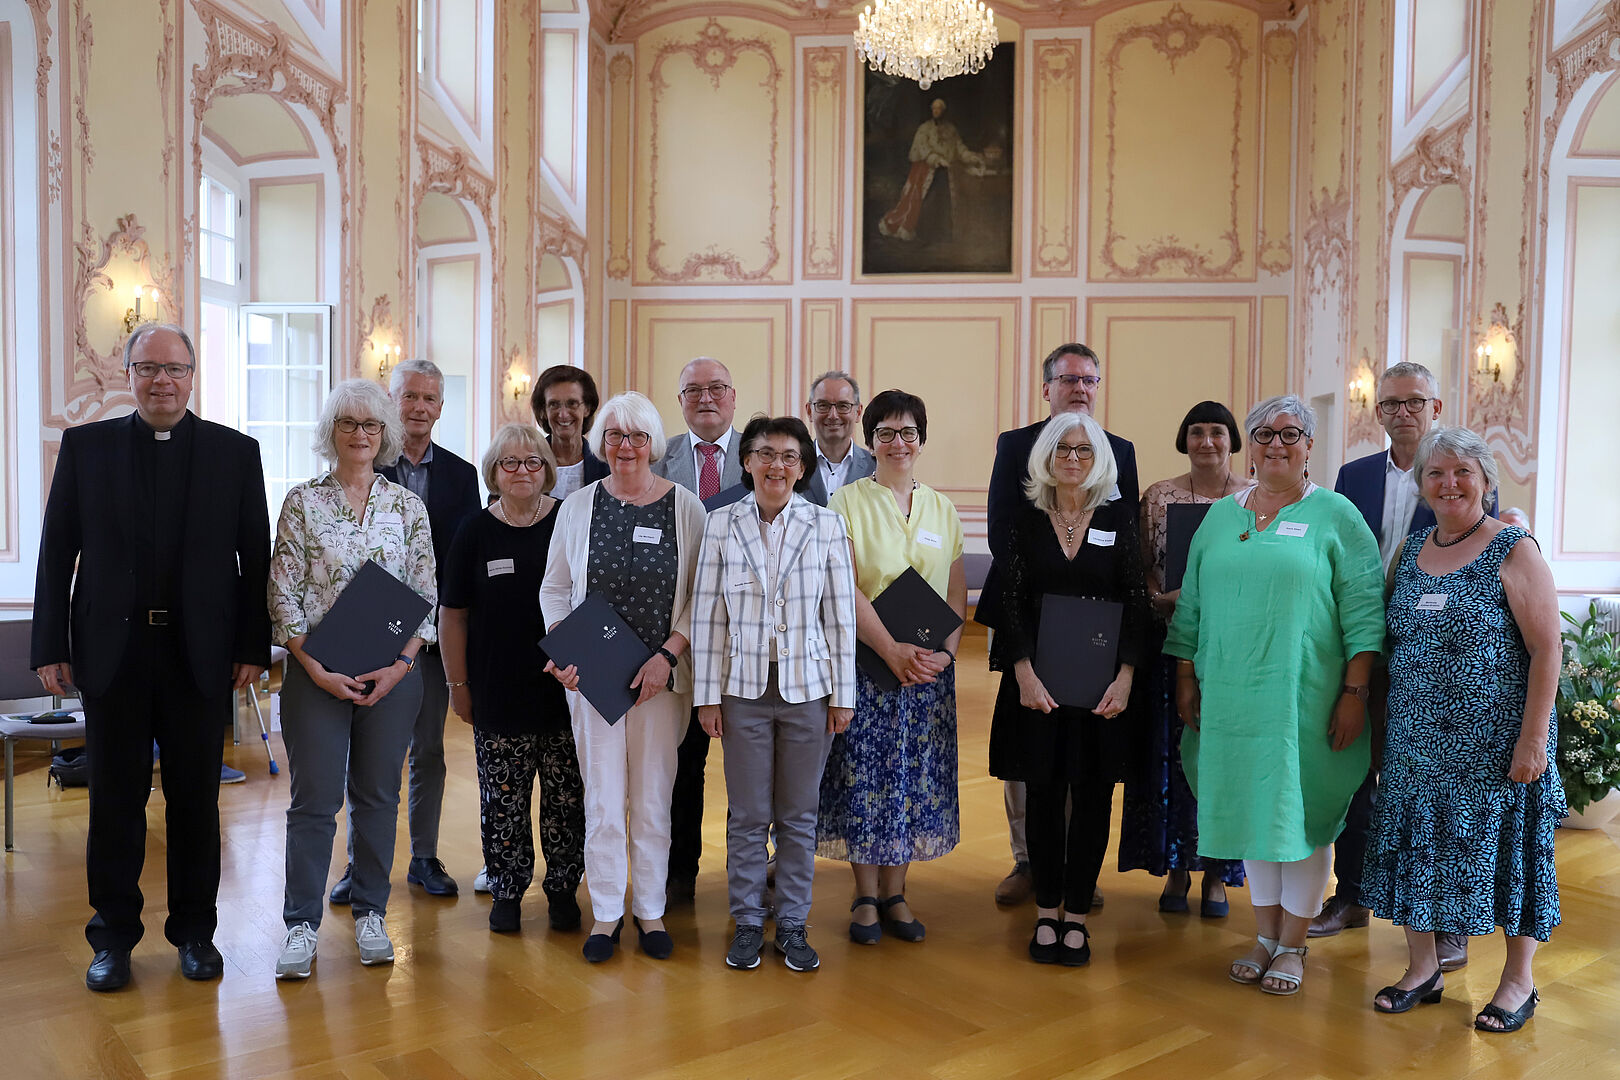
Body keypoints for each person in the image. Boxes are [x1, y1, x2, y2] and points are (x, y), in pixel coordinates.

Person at [31, 323, 270, 992]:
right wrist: (50, 643)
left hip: (201, 658)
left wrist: (253, 645)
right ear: (127, 374)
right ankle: (111, 939)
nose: (161, 380)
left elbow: (256, 560)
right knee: (114, 802)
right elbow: (58, 552)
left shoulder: (235, 452)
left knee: (196, 801)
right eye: (147, 368)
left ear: (193, 376)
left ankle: (196, 933)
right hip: (114, 654)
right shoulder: (86, 449)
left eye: (174, 368)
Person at [1166, 394, 1385, 996]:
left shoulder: (1336, 515)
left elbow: (1365, 613)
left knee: (1302, 815)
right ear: (1250, 444)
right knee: (1250, 810)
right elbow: (1191, 606)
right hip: (1231, 700)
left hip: (1306, 699)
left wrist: (1355, 692)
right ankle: (1263, 936)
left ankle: (1294, 945)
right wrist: (1185, 677)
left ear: (1310, 445)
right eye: (1264, 434)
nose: (1277, 445)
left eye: (1291, 435)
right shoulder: (1220, 518)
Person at [1360, 427, 1563, 1032]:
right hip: (1416, 744)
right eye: (1435, 474)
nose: (1449, 484)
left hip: (1496, 745)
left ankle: (1517, 981)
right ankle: (1422, 969)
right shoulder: (1412, 547)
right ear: (1421, 485)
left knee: (1510, 855)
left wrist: (1534, 738)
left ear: (1486, 481)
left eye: (1462, 473)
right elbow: (1393, 643)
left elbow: (1548, 648)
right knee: (1418, 854)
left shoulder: (1513, 548)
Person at [1315, 362, 1497, 967]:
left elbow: (1486, 542)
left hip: (1439, 654)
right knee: (1358, 772)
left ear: (1436, 407)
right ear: (1380, 412)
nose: (1401, 412)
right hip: (1366, 644)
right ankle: (1353, 894)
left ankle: (1450, 920)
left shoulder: (1457, 473)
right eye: (1390, 403)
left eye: (1413, 402)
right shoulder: (1354, 475)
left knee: (1441, 788)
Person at [269, 379, 438, 979]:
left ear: (385, 434)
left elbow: (425, 593)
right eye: (349, 424)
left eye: (371, 426)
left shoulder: (407, 507)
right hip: (317, 674)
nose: (361, 435)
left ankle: (371, 912)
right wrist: (311, 665)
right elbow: (282, 591)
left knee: (378, 797)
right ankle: (300, 926)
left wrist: (402, 665)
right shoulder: (301, 502)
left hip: (392, 678)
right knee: (313, 801)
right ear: (330, 432)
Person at [541, 392, 708, 963]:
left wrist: (670, 654)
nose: (626, 447)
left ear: (653, 444)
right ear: (602, 443)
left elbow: (699, 596)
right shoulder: (578, 506)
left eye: (637, 437)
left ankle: (651, 909)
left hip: (661, 681)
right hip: (593, 679)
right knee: (605, 799)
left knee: (655, 797)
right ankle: (608, 911)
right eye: (614, 436)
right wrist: (563, 647)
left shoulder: (686, 508)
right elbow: (555, 587)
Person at [691, 415, 858, 972]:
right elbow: (709, 618)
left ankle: (791, 922)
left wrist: (843, 695)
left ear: (803, 467)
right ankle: (745, 920)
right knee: (747, 814)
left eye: (789, 456)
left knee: (797, 814)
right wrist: (706, 697)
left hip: (809, 690)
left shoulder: (826, 526)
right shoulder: (720, 524)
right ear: (746, 461)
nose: (776, 465)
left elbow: (839, 617)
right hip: (741, 690)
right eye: (765, 453)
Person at [979, 342, 1140, 908]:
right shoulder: (1017, 445)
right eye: (1069, 379)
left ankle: (1077, 874)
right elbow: (1003, 533)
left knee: (1087, 766)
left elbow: (1128, 554)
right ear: (1046, 386)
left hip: (1095, 647)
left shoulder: (1118, 449)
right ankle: (1030, 864)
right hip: (1033, 623)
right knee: (1037, 765)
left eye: (1089, 379)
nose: (1080, 388)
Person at [328, 359, 479, 904]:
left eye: (430, 399)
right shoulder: (365, 459)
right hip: (366, 627)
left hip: (431, 634)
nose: (418, 408)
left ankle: (423, 857)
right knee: (366, 756)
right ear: (391, 402)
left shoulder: (463, 475)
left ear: (441, 407)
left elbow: (461, 558)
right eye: (409, 397)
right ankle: (357, 866)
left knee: (430, 750)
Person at [819, 389, 966, 944]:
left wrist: (946, 654)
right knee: (865, 777)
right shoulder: (847, 502)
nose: (897, 443)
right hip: (866, 664)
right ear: (870, 439)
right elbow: (846, 585)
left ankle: (897, 892)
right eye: (885, 432)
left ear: (921, 441)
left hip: (928, 672)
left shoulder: (943, 508)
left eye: (908, 433)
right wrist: (889, 650)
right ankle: (863, 894)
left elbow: (955, 590)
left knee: (912, 778)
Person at [439, 425, 584, 934]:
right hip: (497, 688)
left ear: (547, 470)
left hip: (567, 689)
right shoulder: (474, 531)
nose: (522, 471)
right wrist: (458, 686)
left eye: (532, 462)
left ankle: (564, 888)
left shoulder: (571, 521)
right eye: (510, 463)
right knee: (503, 800)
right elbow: (452, 613)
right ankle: (506, 889)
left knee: (567, 799)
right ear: (493, 473)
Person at [1119, 402, 1247, 917]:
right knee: (1169, 759)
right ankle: (1174, 868)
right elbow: (1143, 568)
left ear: (1232, 439)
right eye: (1197, 431)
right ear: (1184, 438)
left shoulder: (1251, 499)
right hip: (1170, 646)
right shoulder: (1158, 497)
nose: (1207, 441)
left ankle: (1217, 873)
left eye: (1217, 432)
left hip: (1236, 654)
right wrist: (1167, 598)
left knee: (1222, 761)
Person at [651, 356, 742, 903]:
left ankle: (751, 875)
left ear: (732, 396)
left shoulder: (762, 456)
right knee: (683, 763)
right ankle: (679, 870)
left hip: (748, 637)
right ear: (680, 400)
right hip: (679, 636)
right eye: (693, 390)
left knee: (752, 765)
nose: (705, 399)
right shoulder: (658, 457)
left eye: (716, 389)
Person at [877, 98, 985, 243]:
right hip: (926, 171)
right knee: (924, 201)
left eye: (939, 109)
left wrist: (972, 157)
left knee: (945, 202)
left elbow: (959, 148)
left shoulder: (951, 129)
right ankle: (924, 234)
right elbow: (922, 148)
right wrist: (937, 159)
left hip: (946, 173)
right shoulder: (924, 129)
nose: (937, 111)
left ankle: (944, 234)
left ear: (944, 111)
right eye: (934, 109)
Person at [531, 364, 608, 503]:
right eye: (554, 404)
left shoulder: (605, 465)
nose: (563, 414)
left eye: (572, 403)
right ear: (543, 411)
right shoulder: (527, 464)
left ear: (587, 409)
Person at [803, 370, 876, 506]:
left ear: (858, 412)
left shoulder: (876, 468)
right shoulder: (793, 464)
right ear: (809, 411)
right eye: (823, 405)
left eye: (843, 406)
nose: (833, 415)